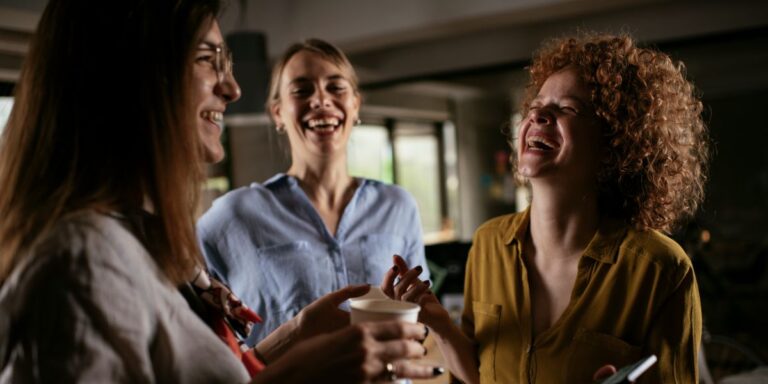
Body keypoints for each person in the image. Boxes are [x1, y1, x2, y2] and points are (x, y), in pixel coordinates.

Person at [0, 0, 442, 382]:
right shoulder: (82, 260)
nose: (232, 88)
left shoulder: (144, 244)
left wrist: (295, 333)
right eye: (207, 59)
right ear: (132, 76)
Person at [384, 31, 710, 383]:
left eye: (568, 108)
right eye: (536, 106)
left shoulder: (661, 269)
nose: (539, 116)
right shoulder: (488, 244)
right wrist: (439, 323)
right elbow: (477, 377)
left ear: (615, 144)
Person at [197, 38, 430, 344]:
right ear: (277, 113)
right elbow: (211, 343)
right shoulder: (231, 217)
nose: (321, 100)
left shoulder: (398, 206)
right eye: (301, 90)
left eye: (336, 87)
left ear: (355, 104)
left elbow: (421, 316)